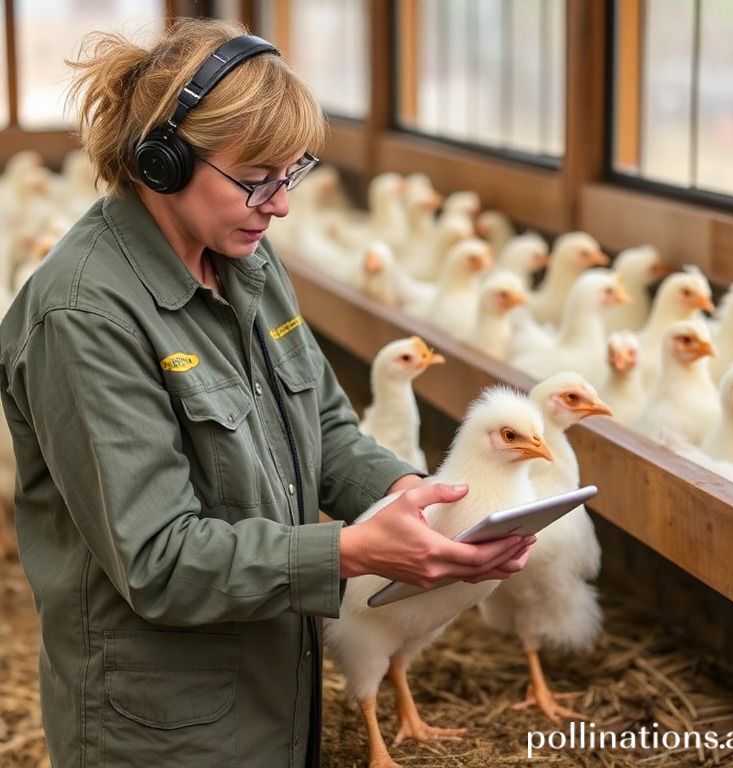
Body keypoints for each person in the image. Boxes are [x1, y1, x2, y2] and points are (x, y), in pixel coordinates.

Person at [0, 18, 534, 768]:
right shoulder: (86, 317)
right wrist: (347, 552)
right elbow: (156, 557)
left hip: (272, 690)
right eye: (257, 178)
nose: (279, 205)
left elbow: (325, 428)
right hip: (162, 730)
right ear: (163, 161)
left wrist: (430, 502)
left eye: (292, 174)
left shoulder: (244, 259)